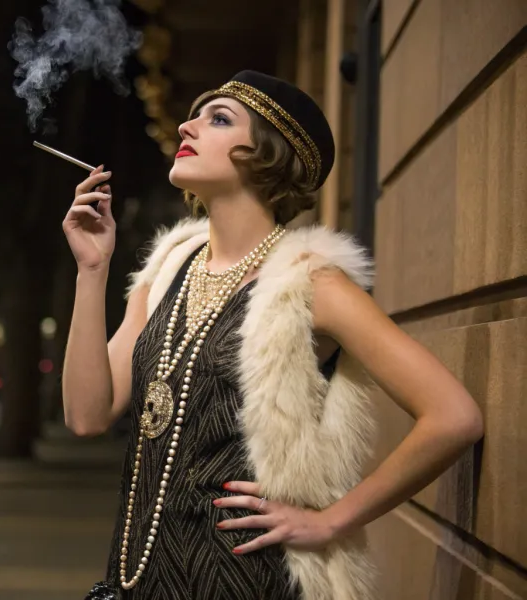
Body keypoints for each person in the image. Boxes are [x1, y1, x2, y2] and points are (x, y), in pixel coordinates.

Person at [62, 71, 483, 600]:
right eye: (195, 113)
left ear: (267, 156)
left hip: (247, 581)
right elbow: (86, 415)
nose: (187, 126)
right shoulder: (167, 270)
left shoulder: (311, 284)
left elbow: (453, 416)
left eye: (218, 118)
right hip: (139, 579)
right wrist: (92, 270)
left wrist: (333, 520)